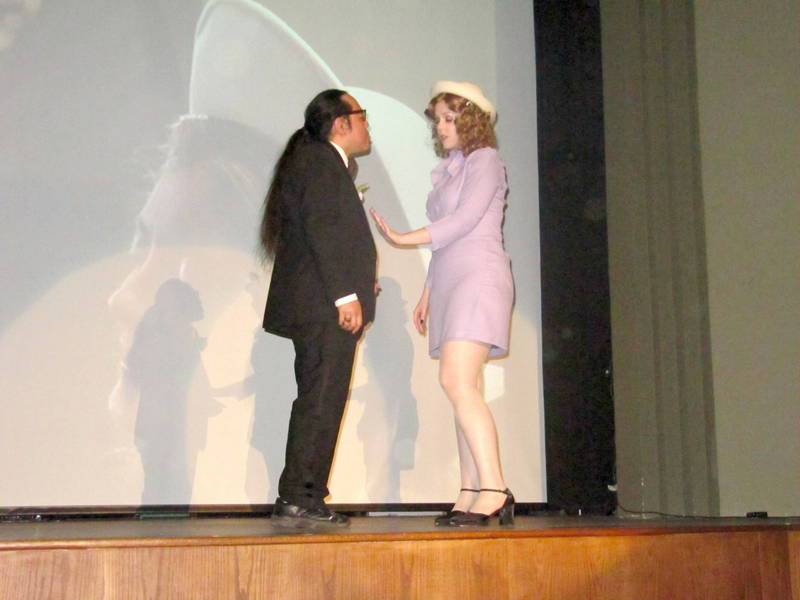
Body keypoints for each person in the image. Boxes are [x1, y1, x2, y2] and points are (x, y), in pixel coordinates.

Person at [370, 81, 514, 527]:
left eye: (450, 118)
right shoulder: (452, 169)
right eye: (438, 120)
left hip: (479, 276)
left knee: (456, 381)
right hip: (452, 279)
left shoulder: (486, 160)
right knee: (463, 386)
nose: (441, 127)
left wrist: (402, 238)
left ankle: (495, 488)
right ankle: (471, 490)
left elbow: (465, 221)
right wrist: (427, 292)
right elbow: (445, 240)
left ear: (471, 119)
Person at [260, 89, 377, 528]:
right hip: (324, 307)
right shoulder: (320, 161)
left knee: (321, 397)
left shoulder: (320, 161)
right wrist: (345, 295)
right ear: (341, 123)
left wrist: (360, 282)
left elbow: (332, 235)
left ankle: (302, 494)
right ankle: (300, 496)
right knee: (322, 399)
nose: (367, 126)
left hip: (320, 303)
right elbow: (323, 228)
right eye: (362, 116)